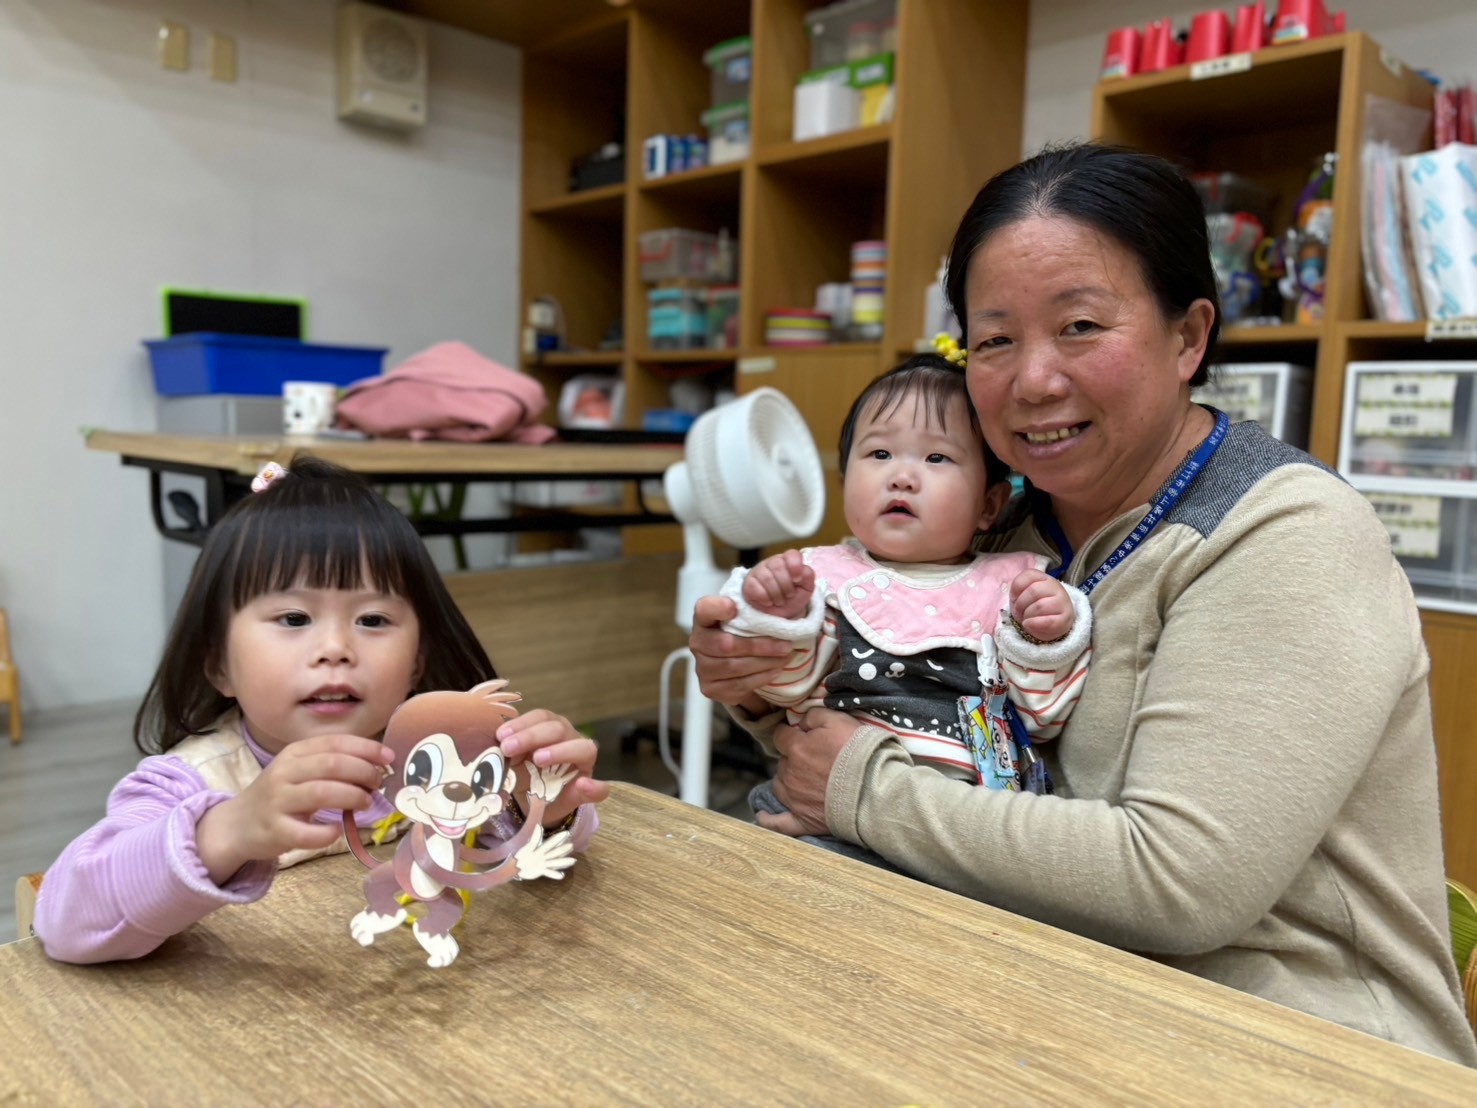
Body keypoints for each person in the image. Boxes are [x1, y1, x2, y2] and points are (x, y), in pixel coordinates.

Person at [689, 143, 1477, 1064]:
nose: (1030, 381)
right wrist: (762, 679)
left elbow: (1180, 884)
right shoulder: (1001, 527)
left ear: (1188, 337)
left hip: (1293, 1034)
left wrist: (860, 789)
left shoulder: (1284, 533)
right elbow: (898, 722)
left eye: (1078, 327)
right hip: (1039, 966)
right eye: (993, 340)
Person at [33, 456, 609, 964]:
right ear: (219, 666)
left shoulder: (443, 754)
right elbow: (63, 923)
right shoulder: (190, 782)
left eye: (373, 620)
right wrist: (227, 831)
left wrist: (542, 808)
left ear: (416, 662)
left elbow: (516, 861)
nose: (336, 648)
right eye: (293, 619)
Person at [722, 354, 1091, 843]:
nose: (901, 476)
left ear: (989, 505)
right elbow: (788, 691)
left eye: (936, 458)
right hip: (823, 811)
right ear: (843, 483)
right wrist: (780, 618)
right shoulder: (821, 577)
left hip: (961, 830)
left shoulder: (1013, 586)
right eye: (879, 455)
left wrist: (1045, 638)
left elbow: (1041, 718)